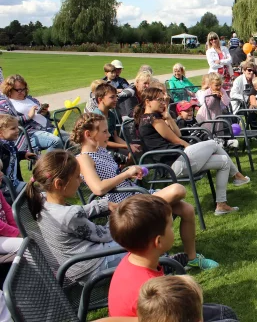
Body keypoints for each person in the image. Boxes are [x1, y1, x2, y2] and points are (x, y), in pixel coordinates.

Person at [72, 113, 214, 270]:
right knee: (177, 190)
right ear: (88, 134)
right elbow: (98, 188)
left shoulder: (101, 151)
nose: (109, 135)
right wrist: (126, 173)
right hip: (123, 207)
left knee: (186, 209)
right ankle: (161, 259)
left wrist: (129, 173)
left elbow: (113, 178)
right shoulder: (83, 158)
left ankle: (191, 258)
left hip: (134, 196)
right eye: (104, 132)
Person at [108, 195, 238, 320]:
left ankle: (169, 267)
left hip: (155, 314)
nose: (172, 230)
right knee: (225, 315)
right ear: (158, 242)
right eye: (170, 226)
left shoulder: (131, 260)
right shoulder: (151, 290)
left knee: (223, 312)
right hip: (165, 313)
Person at [135, 87, 248, 215]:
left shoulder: (151, 118)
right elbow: (177, 140)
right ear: (147, 102)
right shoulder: (152, 119)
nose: (163, 103)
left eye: (163, 100)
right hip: (174, 162)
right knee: (212, 143)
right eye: (159, 100)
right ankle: (237, 176)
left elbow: (177, 134)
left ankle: (221, 205)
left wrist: (169, 118)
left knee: (223, 161)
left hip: (174, 161)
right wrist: (189, 147)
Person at [25, 150, 124, 283]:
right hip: (95, 267)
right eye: (77, 176)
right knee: (143, 238)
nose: (81, 181)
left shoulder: (43, 200)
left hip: (77, 266)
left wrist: (102, 205)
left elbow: (78, 212)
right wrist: (120, 219)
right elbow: (105, 235)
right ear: (59, 184)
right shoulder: (69, 216)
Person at [0, 74, 64, 152]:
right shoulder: (4, 103)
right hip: (30, 134)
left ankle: (69, 163)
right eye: (18, 90)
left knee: (71, 140)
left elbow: (43, 116)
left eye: (23, 89)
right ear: (9, 89)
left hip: (47, 128)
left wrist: (45, 113)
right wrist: (28, 116)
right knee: (56, 141)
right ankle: (47, 164)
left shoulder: (30, 98)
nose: (22, 92)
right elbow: (6, 123)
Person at [93, 83, 141, 157]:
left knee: (136, 151)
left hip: (112, 147)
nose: (116, 99)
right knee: (131, 155)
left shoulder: (111, 115)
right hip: (101, 151)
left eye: (116, 96)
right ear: (100, 99)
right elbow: (102, 142)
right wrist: (126, 147)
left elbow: (115, 137)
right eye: (112, 97)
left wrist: (130, 145)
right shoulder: (96, 117)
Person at [0, 115, 36, 198]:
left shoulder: (10, 144)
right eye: (13, 128)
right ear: (0, 132)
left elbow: (11, 156)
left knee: (34, 192)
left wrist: (23, 154)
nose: (17, 131)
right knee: (32, 194)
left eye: (17, 127)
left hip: (15, 182)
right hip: (5, 188)